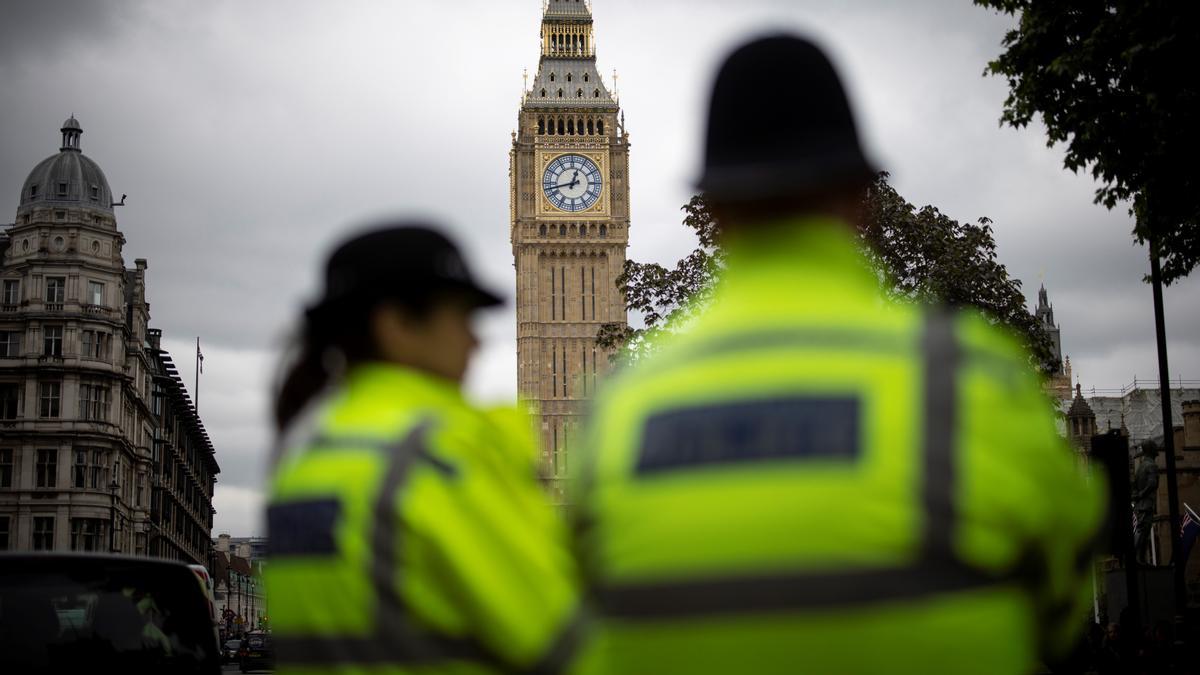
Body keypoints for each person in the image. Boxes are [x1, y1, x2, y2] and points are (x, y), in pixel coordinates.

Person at [568, 35, 1106, 674]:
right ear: (861, 197)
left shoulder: (616, 414)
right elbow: (1068, 605)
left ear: (711, 207)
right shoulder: (974, 382)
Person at [263, 224, 579, 674]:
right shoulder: (441, 452)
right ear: (398, 325)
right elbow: (566, 644)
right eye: (461, 317)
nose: (476, 340)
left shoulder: (301, 464)